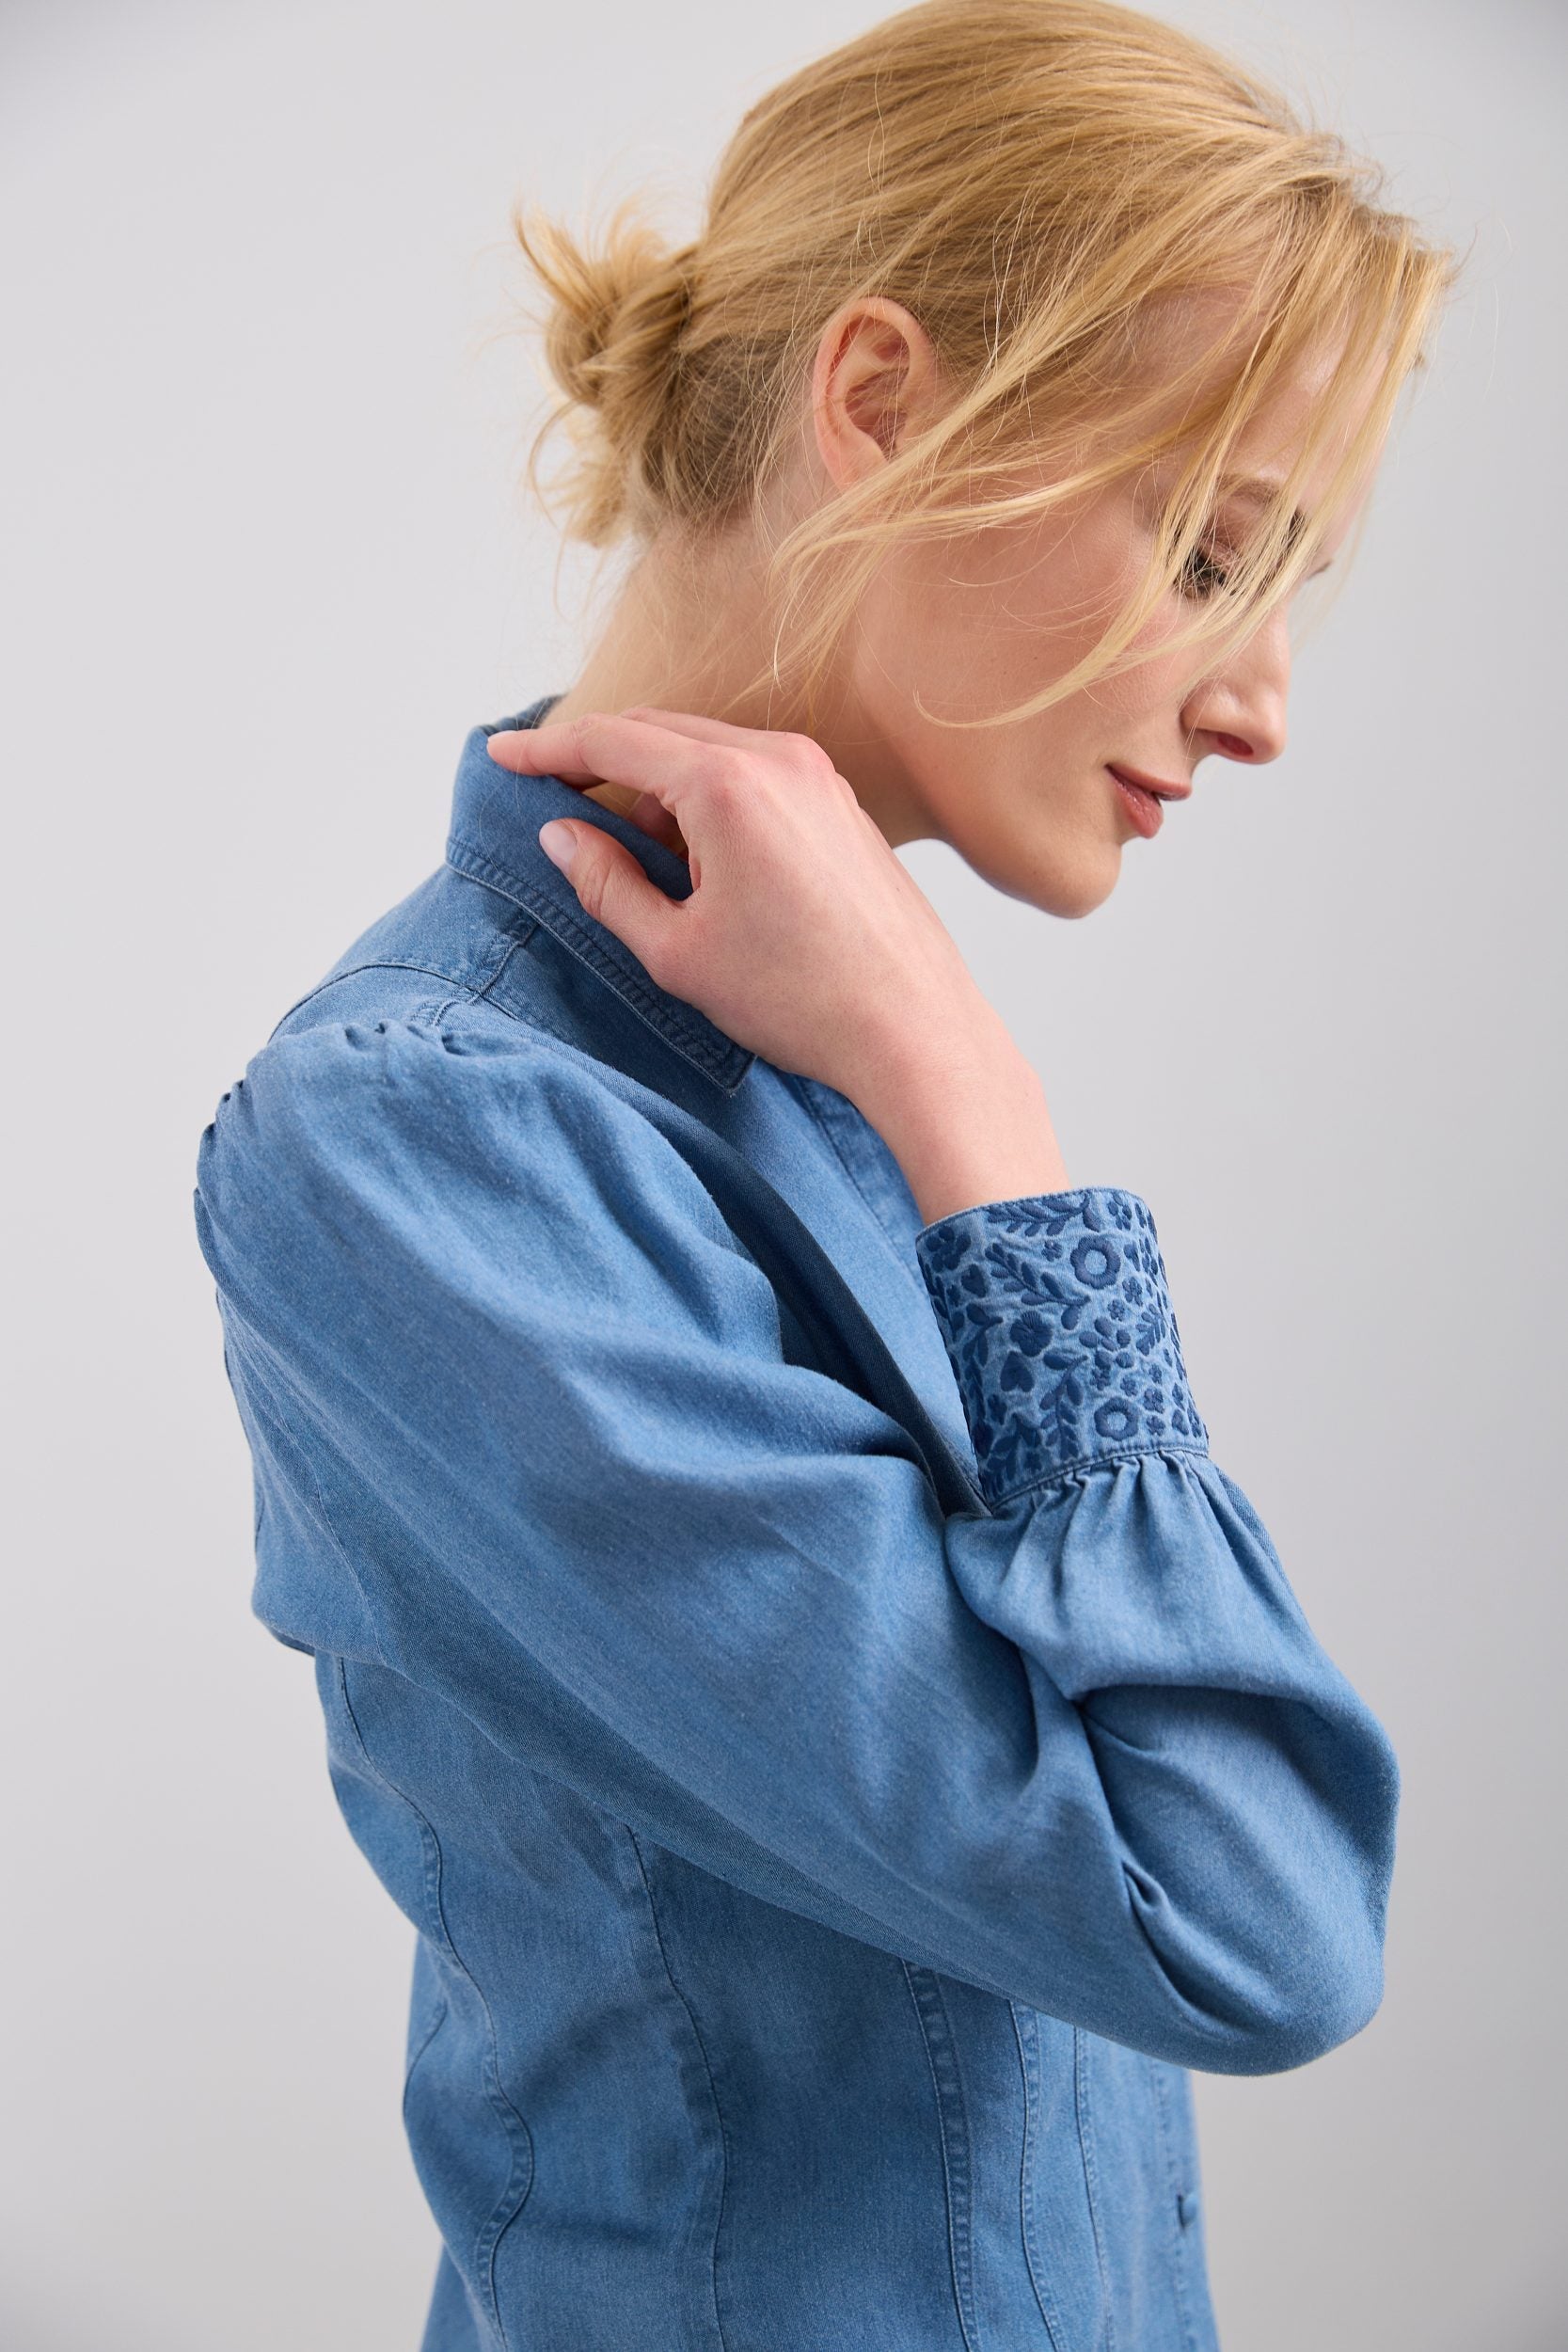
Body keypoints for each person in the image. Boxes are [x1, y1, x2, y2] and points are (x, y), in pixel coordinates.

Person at [192, 4, 1458, 2345]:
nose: (1266, 691)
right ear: (876, 399)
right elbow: (1250, 1916)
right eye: (1203, 545)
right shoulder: (419, 1142)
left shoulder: (795, 1046)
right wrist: (967, 1091)